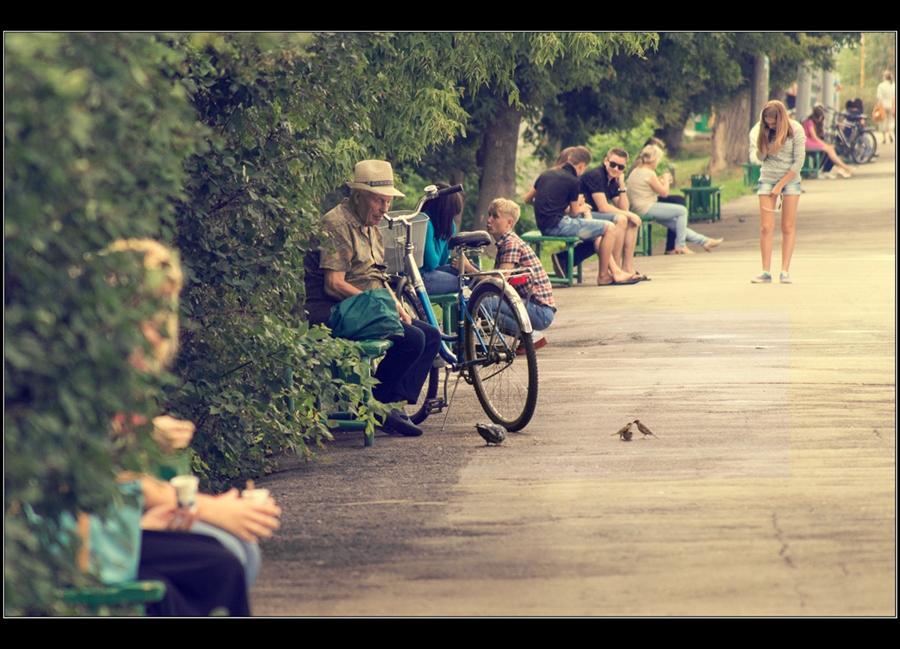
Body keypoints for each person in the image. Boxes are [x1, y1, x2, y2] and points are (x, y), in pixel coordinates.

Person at [103, 238, 283, 616]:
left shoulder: (128, 374)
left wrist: (148, 434)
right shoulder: (98, 372)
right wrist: (209, 508)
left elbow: (121, 460)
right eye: (149, 310)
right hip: (97, 530)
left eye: (164, 309)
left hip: (118, 518)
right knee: (225, 559)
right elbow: (118, 477)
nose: (160, 326)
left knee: (238, 553)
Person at [303, 160, 441, 437]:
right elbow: (334, 284)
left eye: (388, 202)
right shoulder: (336, 224)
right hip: (334, 311)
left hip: (366, 308)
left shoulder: (371, 227)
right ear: (358, 196)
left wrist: (396, 304)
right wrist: (380, 305)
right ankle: (377, 408)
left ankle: (387, 405)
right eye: (379, 201)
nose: (385, 209)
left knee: (430, 335)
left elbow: (378, 276)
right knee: (412, 339)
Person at [524, 146, 639, 286]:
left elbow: (527, 199)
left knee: (598, 234)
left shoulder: (545, 174)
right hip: (559, 224)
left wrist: (542, 207)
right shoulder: (573, 181)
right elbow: (574, 212)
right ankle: (604, 276)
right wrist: (580, 206)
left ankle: (614, 271)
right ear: (581, 166)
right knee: (609, 227)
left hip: (544, 225)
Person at [457, 198, 555, 351]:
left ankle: (530, 336)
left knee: (479, 303)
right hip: (532, 306)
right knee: (483, 303)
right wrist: (472, 269)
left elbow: (499, 282)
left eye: (495, 216)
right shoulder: (506, 242)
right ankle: (528, 335)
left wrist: (469, 269)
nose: (489, 220)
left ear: (509, 223)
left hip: (539, 311)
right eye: (489, 214)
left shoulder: (511, 244)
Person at [626, 145, 723, 254]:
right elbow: (664, 193)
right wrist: (666, 179)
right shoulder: (648, 173)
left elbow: (647, 186)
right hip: (646, 207)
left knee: (675, 224)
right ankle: (681, 245)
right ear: (654, 160)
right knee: (682, 211)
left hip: (639, 207)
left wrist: (660, 179)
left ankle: (705, 241)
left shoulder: (637, 171)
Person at [748, 100, 805, 284]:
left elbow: (799, 162)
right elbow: (760, 158)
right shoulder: (763, 130)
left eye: (773, 124)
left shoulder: (795, 129)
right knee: (766, 227)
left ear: (781, 119)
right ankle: (765, 271)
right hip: (767, 178)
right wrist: (763, 137)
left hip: (790, 180)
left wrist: (780, 185)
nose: (771, 126)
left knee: (787, 226)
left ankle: (784, 271)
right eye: (768, 123)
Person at [578, 147, 645, 276]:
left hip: (594, 215)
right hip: (581, 214)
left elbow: (623, 208)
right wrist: (630, 214)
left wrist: (621, 186)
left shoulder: (613, 179)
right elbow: (603, 207)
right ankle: (616, 270)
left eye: (620, 167)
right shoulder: (596, 175)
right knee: (622, 219)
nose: (616, 169)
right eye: (613, 164)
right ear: (606, 161)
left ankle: (627, 268)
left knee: (631, 221)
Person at [419, 182, 464, 295]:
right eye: (451, 215)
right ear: (445, 211)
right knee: (466, 281)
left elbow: (442, 261)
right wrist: (444, 234)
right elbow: (432, 264)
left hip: (428, 273)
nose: (452, 220)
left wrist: (447, 232)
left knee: (471, 271)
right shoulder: (425, 224)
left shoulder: (434, 223)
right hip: (420, 278)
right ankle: (464, 307)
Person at [803, 105, 853, 178]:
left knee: (831, 149)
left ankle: (842, 168)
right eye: (821, 117)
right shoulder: (809, 122)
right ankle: (844, 167)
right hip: (807, 143)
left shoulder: (813, 122)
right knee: (830, 149)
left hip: (811, 142)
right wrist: (824, 144)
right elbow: (814, 137)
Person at [875, 71, 895, 144]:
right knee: (890, 120)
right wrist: (894, 106)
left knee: (883, 121)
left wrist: (878, 104)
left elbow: (878, 97)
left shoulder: (881, 85)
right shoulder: (893, 85)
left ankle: (884, 138)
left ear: (884, 77)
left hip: (883, 106)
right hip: (891, 105)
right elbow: (894, 97)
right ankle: (890, 133)